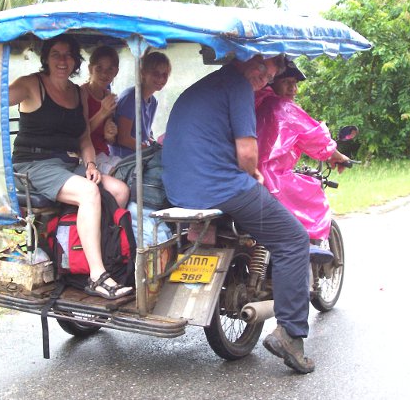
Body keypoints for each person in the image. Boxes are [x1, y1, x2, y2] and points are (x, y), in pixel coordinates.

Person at [162, 54, 315, 374]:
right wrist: (255, 175)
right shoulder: (238, 87)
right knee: (294, 240)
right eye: (264, 68)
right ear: (247, 60)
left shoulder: (207, 85)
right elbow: (247, 152)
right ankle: (291, 334)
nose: (267, 77)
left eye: (271, 74)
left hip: (179, 190)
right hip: (218, 189)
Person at [0, 34, 132, 300]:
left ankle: (99, 259)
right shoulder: (31, 84)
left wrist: (91, 163)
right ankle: (97, 276)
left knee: (119, 190)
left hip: (68, 162)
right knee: (89, 193)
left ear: (76, 60)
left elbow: (83, 136)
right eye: (56, 54)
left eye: (69, 54)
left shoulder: (77, 92)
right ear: (46, 58)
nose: (63, 60)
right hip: (33, 164)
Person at [254, 59, 349, 248]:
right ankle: (310, 249)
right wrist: (338, 156)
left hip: (245, 174)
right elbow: (315, 137)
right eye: (287, 83)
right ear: (272, 82)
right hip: (271, 177)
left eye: (295, 84)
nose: (294, 89)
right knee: (314, 200)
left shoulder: (254, 102)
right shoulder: (283, 107)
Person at [109, 51, 171, 158]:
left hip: (140, 156)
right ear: (143, 73)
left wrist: (156, 146)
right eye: (155, 73)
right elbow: (123, 138)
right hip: (124, 159)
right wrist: (150, 151)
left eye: (165, 75)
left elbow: (145, 135)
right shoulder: (131, 98)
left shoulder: (153, 102)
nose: (161, 78)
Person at [80, 45, 122, 174]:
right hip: (84, 158)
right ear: (90, 69)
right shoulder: (81, 93)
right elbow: (79, 135)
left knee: (131, 169)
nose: (104, 74)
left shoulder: (109, 96)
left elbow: (109, 139)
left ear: (116, 72)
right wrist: (102, 112)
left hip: (104, 154)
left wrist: (110, 134)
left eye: (110, 69)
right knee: (118, 173)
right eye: (99, 68)